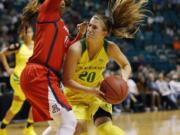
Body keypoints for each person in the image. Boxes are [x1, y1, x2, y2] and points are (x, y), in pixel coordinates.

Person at [63, 0, 148, 135]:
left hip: (99, 94)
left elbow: (126, 65)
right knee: (79, 129)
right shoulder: (76, 49)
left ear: (105, 33)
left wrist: (123, 80)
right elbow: (66, 81)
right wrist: (91, 91)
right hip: (75, 97)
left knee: (105, 128)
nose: (90, 29)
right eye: (89, 26)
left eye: (94, 27)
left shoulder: (110, 47)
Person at [20, 0, 101, 135]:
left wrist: (80, 35)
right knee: (69, 122)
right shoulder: (47, 12)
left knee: (59, 125)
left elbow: (67, 50)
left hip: (44, 76)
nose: (62, 2)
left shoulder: (62, 24)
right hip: (40, 74)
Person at [0, 26, 36, 135]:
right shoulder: (18, 46)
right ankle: (28, 128)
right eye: (25, 32)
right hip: (17, 79)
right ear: (22, 35)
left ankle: (2, 128)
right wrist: (7, 69)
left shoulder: (37, 45)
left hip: (29, 80)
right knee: (37, 101)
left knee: (15, 107)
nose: (27, 34)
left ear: (32, 32)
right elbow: (2, 53)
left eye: (29, 31)